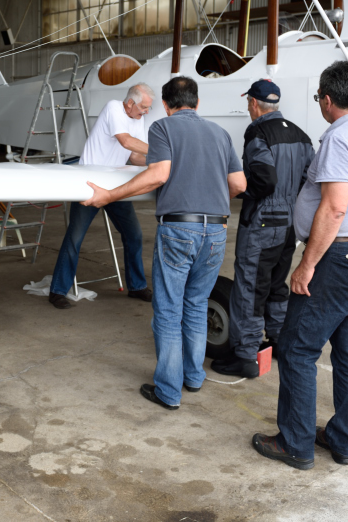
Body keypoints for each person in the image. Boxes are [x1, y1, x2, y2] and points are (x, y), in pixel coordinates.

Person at [252, 60, 348, 470]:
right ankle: (342, 440)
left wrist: (307, 264)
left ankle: (295, 443)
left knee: (297, 349)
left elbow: (334, 208)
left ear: (328, 100)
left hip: (339, 257)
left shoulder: (342, 137)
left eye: (319, 98)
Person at [83, 76, 246, 409]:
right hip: (216, 230)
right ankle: (194, 377)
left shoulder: (163, 128)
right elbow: (239, 184)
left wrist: (109, 195)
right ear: (197, 103)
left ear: (167, 106)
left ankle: (169, 392)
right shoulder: (220, 133)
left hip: (180, 229)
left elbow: (158, 174)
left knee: (169, 311)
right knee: (196, 304)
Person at [212, 80, 314, 378]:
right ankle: (279, 340)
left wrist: (240, 191)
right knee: (276, 283)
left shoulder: (258, 133)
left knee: (250, 286)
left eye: (248, 103)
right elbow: (310, 179)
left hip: (263, 222)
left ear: (254, 103)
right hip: (290, 222)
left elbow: (264, 179)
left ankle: (245, 355)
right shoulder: (300, 134)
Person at [47, 83, 155, 309]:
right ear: (130, 103)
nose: (146, 112)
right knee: (75, 237)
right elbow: (126, 141)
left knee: (134, 235)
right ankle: (57, 291)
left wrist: (160, 161)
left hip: (114, 186)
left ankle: (136, 286)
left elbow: (135, 156)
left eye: (148, 108)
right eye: (144, 107)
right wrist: (164, 151)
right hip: (91, 184)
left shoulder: (138, 119)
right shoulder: (113, 108)